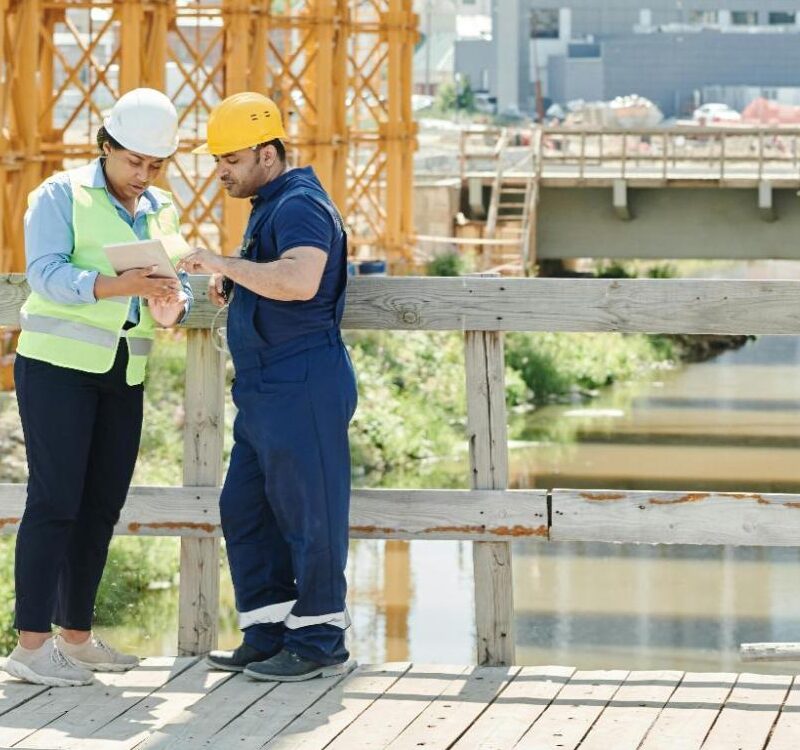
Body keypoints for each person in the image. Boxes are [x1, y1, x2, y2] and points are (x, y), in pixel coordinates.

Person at [3, 88, 193, 687]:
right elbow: (47, 275)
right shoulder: (59, 194)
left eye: (155, 165)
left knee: (100, 508)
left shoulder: (161, 206)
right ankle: (30, 648)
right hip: (57, 368)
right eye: (134, 161)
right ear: (106, 146)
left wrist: (171, 303)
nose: (144, 175)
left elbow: (173, 288)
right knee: (55, 502)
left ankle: (76, 638)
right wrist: (120, 284)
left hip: (123, 371)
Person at [179, 92, 357, 682]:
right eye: (217, 159)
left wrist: (224, 264)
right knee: (246, 508)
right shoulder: (269, 202)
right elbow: (273, 276)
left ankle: (321, 641)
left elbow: (301, 280)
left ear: (268, 152)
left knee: (312, 513)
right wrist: (240, 282)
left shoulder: (300, 204)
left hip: (302, 380)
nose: (220, 171)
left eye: (230, 158)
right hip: (264, 389)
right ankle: (269, 631)